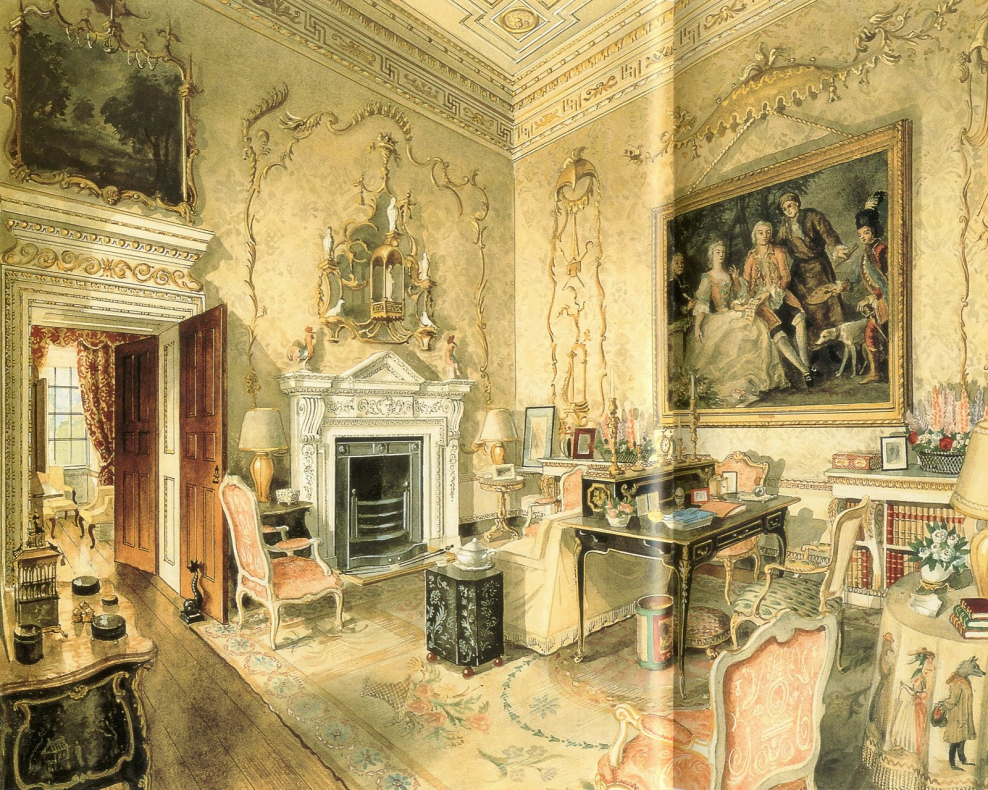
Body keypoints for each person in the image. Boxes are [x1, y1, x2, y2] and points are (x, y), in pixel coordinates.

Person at [685, 240, 787, 406]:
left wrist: (736, 283)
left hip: (732, 314)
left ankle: (749, 384)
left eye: (723, 252)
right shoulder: (707, 277)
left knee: (758, 328)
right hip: (717, 319)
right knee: (734, 339)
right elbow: (702, 303)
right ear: (711, 255)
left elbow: (736, 299)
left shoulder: (728, 275)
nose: (721, 255)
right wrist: (697, 327)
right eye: (717, 252)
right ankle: (734, 388)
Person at [742, 220, 814, 386]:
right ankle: (805, 371)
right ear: (755, 235)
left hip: (780, 295)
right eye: (761, 232)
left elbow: (786, 277)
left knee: (800, 318)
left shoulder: (778, 252)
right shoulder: (751, 257)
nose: (764, 235)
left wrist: (771, 292)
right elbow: (746, 283)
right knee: (778, 334)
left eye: (767, 232)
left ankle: (806, 363)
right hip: (762, 304)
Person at [775, 192, 851, 338]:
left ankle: (838, 337)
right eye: (784, 209)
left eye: (790, 206)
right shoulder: (784, 228)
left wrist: (836, 247)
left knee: (829, 300)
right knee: (809, 306)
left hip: (819, 265)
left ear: (797, 203)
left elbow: (827, 232)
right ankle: (816, 341)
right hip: (801, 272)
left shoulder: (812, 216)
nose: (788, 210)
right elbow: (777, 246)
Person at [846, 204, 889, 384]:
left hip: (888, 300)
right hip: (879, 301)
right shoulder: (864, 255)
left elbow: (892, 281)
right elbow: (856, 278)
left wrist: (873, 297)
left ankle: (881, 371)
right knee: (871, 333)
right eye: (860, 234)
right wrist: (841, 286)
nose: (862, 237)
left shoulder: (882, 250)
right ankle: (876, 372)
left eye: (866, 232)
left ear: (874, 231)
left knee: (881, 333)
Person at [886, 648, 935, 756]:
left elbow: (914, 693)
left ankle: (908, 745)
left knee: (909, 724)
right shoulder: (919, 674)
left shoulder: (921, 677)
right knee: (904, 722)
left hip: (914, 705)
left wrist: (904, 687)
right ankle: (901, 743)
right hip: (912, 703)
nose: (928, 667)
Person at [667, 253, 694, 376]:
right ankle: (678, 379)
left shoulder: (685, 281)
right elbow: (672, 307)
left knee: (689, 355)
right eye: (676, 263)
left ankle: (686, 378)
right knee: (678, 356)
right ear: (671, 265)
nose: (680, 265)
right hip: (677, 324)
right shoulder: (671, 284)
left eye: (682, 262)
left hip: (687, 323)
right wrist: (686, 308)